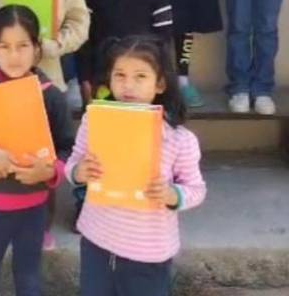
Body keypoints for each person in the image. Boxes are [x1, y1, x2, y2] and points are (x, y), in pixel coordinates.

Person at [66, 35, 206, 296]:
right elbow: (73, 162)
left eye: (140, 76)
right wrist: (77, 171)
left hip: (148, 253)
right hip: (96, 241)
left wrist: (172, 194)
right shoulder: (94, 123)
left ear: (160, 83)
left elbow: (196, 189)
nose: (128, 85)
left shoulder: (178, 139)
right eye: (119, 75)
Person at [0, 5, 73, 296]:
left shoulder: (51, 96)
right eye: (4, 46)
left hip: (34, 208)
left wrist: (51, 171)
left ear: (36, 48)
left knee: (29, 280)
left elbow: (69, 150)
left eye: (23, 46)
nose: (14, 55)